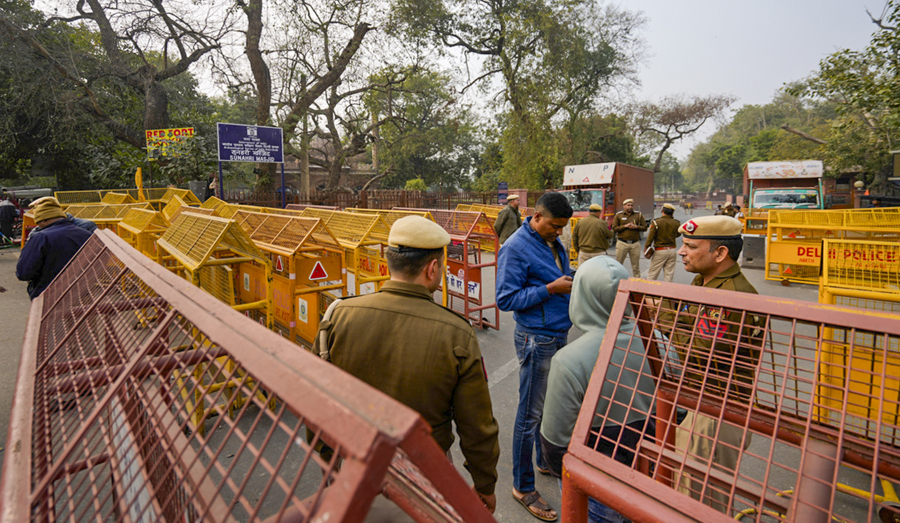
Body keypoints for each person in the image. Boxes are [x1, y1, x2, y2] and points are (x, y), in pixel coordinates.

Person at [313, 216, 500, 512]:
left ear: (390, 262)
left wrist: (329, 462)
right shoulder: (457, 332)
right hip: (423, 473)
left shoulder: (338, 315)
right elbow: (477, 427)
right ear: (433, 268)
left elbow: (317, 402)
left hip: (351, 467)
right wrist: (485, 485)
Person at [657, 215, 764, 513]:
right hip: (702, 401)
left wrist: (666, 316)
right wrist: (673, 314)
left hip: (718, 411)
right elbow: (676, 312)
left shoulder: (730, 297)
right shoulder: (704, 281)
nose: (681, 251)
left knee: (699, 504)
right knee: (688, 490)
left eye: (690, 246)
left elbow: (698, 349)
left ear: (720, 253)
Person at [539, 256, 657, 523]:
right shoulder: (660, 342)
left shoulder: (570, 360)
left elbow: (555, 442)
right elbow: (677, 412)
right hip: (650, 471)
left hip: (596, 477)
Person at [497, 191, 574, 521]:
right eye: (555, 226)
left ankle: (544, 460)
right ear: (537, 217)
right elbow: (505, 298)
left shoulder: (552, 240)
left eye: (563, 227)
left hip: (558, 331)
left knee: (549, 405)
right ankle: (522, 485)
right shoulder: (514, 247)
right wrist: (551, 289)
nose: (559, 232)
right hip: (536, 338)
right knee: (529, 414)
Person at [16, 197, 92, 299]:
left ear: (43, 219)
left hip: (49, 297)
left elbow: (24, 273)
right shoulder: (86, 234)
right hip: (82, 293)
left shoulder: (41, 237)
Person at [645, 203, 681, 282]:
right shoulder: (676, 223)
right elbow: (678, 234)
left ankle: (648, 292)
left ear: (662, 211)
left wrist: (646, 247)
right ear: (672, 213)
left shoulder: (656, 222)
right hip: (672, 250)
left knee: (652, 273)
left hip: (660, 250)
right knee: (669, 274)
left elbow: (650, 237)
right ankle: (666, 293)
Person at [612, 198, 647, 278]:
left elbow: (645, 227)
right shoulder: (619, 215)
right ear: (624, 206)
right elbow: (614, 228)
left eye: (631, 205)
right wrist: (625, 226)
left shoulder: (638, 215)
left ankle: (637, 282)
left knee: (636, 266)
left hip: (635, 243)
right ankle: (617, 280)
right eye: (628, 205)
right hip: (622, 243)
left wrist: (636, 227)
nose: (630, 207)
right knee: (619, 264)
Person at [29, 197, 97, 234]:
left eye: (39, 222)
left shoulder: (87, 226)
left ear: (44, 220)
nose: (38, 225)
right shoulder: (35, 233)